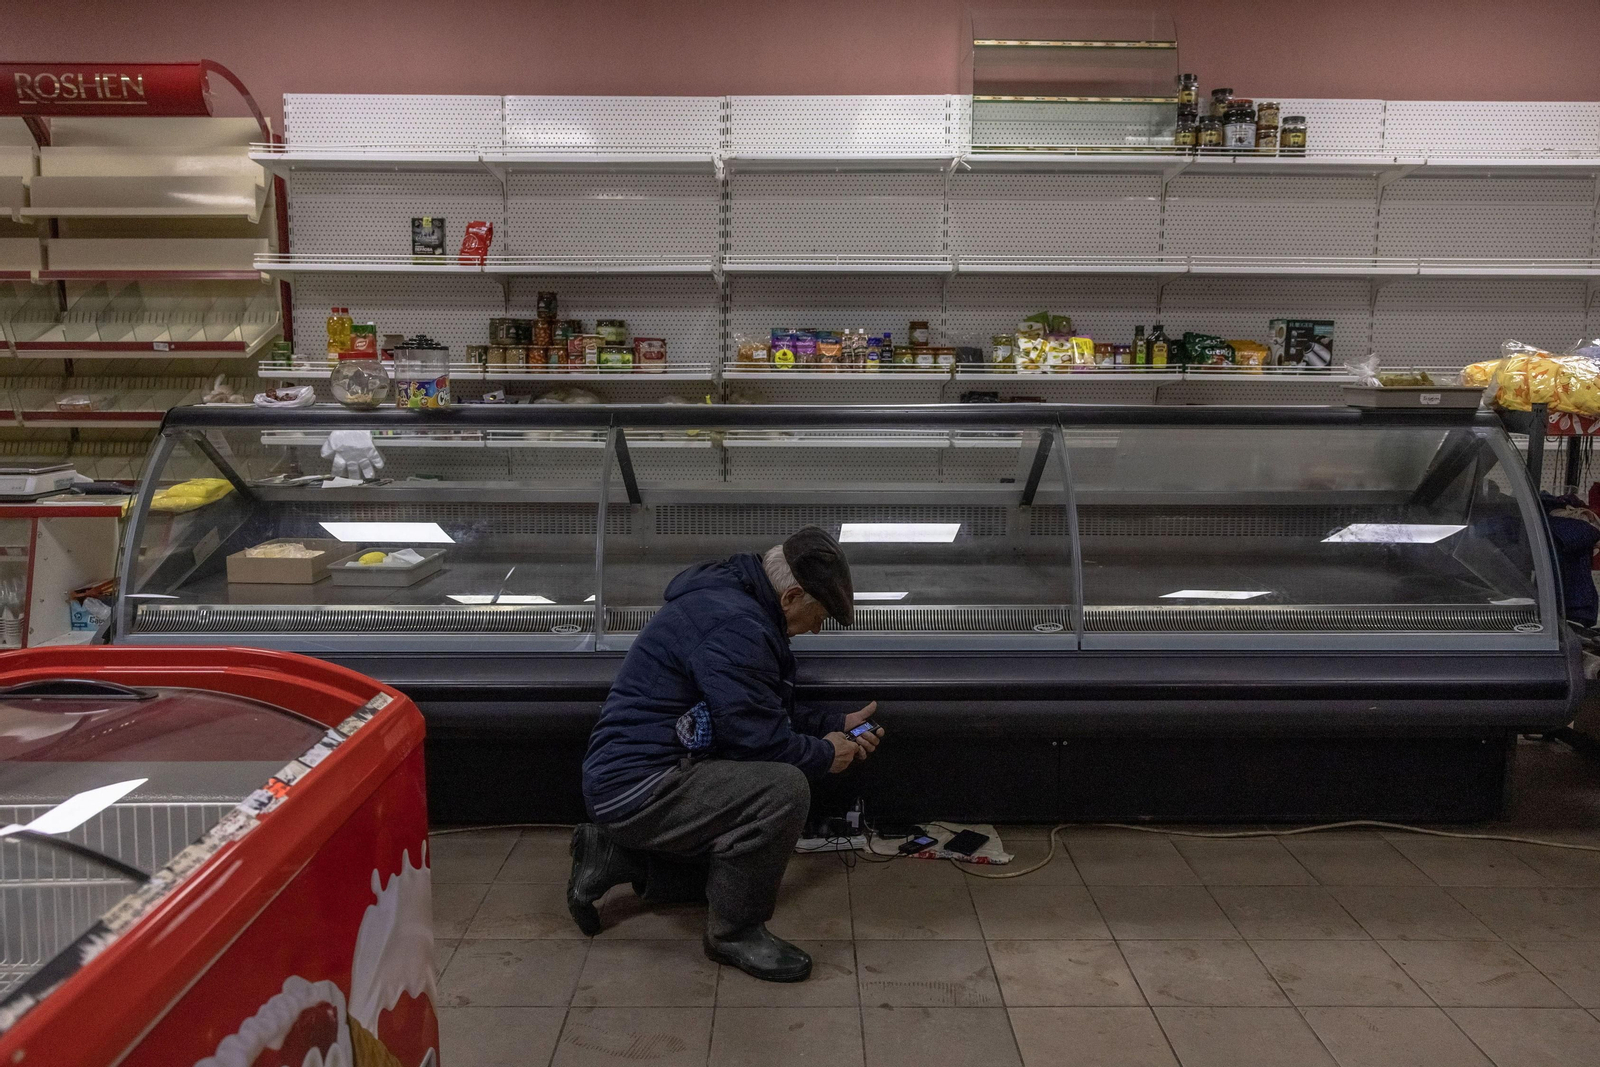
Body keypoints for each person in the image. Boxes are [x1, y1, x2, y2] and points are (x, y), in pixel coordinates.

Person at [567, 525, 883, 982]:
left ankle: (615, 856)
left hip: (650, 773)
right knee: (783, 789)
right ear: (791, 596)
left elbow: (762, 710)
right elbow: (761, 741)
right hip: (640, 785)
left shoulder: (740, 605)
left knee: (729, 876)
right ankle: (734, 933)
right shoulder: (736, 625)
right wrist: (822, 755)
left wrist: (837, 726)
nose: (817, 628)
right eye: (820, 614)